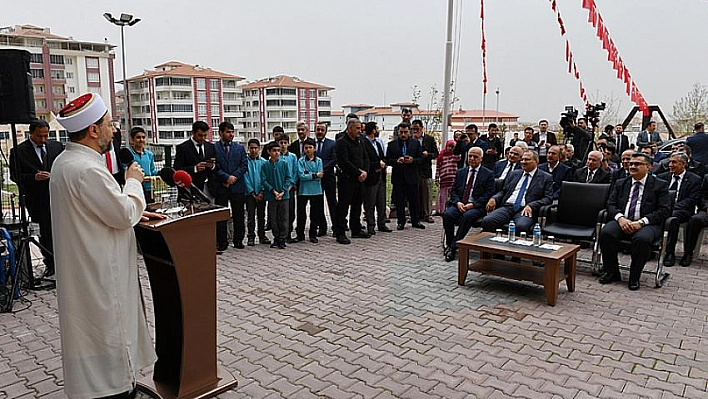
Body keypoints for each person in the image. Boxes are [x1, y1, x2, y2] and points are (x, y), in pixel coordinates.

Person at [51, 92, 165, 399]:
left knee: (92, 338)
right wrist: (133, 182)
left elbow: (105, 208)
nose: (113, 130)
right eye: (109, 124)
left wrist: (136, 208)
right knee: (108, 335)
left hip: (86, 266)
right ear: (92, 130)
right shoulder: (86, 169)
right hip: (100, 272)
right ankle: (113, 391)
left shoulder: (66, 161)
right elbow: (122, 213)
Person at [599, 152, 670, 290]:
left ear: (649, 167)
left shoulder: (660, 185)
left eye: (637, 164)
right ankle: (612, 272)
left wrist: (641, 222)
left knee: (642, 239)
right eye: (631, 163)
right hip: (623, 220)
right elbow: (611, 204)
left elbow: (664, 210)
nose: (632, 166)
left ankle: (634, 277)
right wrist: (620, 218)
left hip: (647, 224)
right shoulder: (621, 183)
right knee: (606, 233)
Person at [9, 119, 64, 276]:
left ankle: (64, 261)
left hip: (59, 197)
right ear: (31, 133)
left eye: (46, 135)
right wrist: (34, 177)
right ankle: (50, 263)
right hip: (37, 200)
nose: (43, 140)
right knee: (45, 233)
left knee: (62, 230)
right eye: (39, 136)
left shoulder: (57, 147)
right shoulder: (18, 151)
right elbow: (15, 176)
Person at [481, 150, 553, 234]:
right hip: (507, 207)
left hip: (525, 209)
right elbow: (503, 191)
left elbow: (548, 198)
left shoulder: (545, 177)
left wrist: (531, 205)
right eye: (522, 159)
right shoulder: (514, 174)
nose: (523, 162)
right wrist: (494, 198)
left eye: (527, 160)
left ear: (536, 161)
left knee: (521, 226)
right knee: (487, 220)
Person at [443, 147, 495, 262]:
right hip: (460, 204)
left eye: (475, 157)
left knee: (467, 216)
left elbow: (488, 194)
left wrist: (473, 204)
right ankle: (450, 243)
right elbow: (454, 190)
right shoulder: (461, 172)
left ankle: (453, 247)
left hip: (476, 206)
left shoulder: (488, 174)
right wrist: (457, 202)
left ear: (481, 158)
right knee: (447, 215)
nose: (472, 159)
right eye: (470, 156)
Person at [657, 153, 701, 266]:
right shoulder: (663, 177)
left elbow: (692, 199)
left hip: (682, 210)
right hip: (664, 209)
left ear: (683, 164)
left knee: (673, 217)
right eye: (670, 162)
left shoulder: (694, 180)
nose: (670, 165)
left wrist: (673, 207)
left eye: (674, 162)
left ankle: (672, 252)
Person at [211, 121, 248, 251]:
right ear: (221, 133)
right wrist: (226, 178)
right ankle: (222, 241)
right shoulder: (214, 148)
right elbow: (214, 167)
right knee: (221, 214)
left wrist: (233, 178)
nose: (231, 134)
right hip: (221, 186)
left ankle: (238, 240)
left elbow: (244, 165)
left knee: (239, 214)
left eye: (232, 132)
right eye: (228, 132)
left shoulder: (239, 148)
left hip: (237, 186)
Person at [334, 119, 369, 244]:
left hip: (360, 180)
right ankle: (340, 232)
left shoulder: (360, 141)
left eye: (360, 128)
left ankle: (356, 229)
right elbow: (344, 162)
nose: (360, 131)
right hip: (347, 180)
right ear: (349, 129)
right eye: (357, 128)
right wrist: (358, 172)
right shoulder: (341, 143)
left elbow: (365, 157)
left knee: (357, 205)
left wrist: (365, 171)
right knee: (343, 207)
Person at [386, 122, 425, 231]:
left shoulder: (415, 143)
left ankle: (415, 221)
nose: (403, 134)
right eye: (401, 132)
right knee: (399, 201)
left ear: (409, 132)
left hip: (412, 176)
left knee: (414, 200)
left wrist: (413, 160)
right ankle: (400, 222)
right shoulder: (392, 144)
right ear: (398, 132)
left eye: (405, 132)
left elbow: (421, 159)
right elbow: (387, 160)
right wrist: (396, 161)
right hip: (398, 177)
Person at [261, 141, 292, 249]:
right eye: (274, 151)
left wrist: (283, 191)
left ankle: (282, 238)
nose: (277, 153)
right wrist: (273, 191)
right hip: (272, 196)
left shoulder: (284, 163)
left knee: (283, 218)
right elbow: (264, 180)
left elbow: (288, 178)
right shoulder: (265, 165)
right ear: (269, 152)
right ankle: (276, 237)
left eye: (278, 151)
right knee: (273, 218)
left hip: (284, 196)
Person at [362, 121, 390, 235]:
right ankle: (370, 226)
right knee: (370, 203)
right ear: (373, 130)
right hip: (371, 177)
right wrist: (377, 165)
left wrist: (383, 164)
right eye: (377, 128)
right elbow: (365, 161)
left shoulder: (378, 143)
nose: (378, 130)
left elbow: (383, 157)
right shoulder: (363, 143)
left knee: (381, 201)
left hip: (381, 176)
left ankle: (382, 223)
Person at [173, 121, 216, 191]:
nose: (203, 138)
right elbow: (177, 169)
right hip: (191, 188)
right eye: (200, 135)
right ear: (193, 133)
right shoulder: (183, 148)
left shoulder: (211, 147)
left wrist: (212, 166)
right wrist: (194, 168)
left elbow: (217, 166)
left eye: (205, 135)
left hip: (210, 188)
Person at [296, 138, 325, 243]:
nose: (308, 150)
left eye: (310, 147)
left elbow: (320, 175)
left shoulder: (319, 161)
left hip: (317, 190)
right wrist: (314, 175)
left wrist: (309, 174)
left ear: (315, 149)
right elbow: (301, 176)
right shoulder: (300, 161)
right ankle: (300, 234)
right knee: (301, 213)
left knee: (315, 213)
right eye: (306, 147)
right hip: (303, 190)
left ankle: (313, 234)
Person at [244, 139, 270, 246]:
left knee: (261, 215)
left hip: (261, 194)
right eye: (251, 148)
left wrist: (262, 191)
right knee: (250, 216)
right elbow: (245, 178)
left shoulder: (264, 162)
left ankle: (262, 235)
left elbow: (266, 178)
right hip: (250, 194)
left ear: (259, 149)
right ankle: (250, 236)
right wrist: (252, 192)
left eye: (256, 148)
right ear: (248, 148)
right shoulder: (245, 162)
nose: (254, 150)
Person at [412, 119, 439, 223]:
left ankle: (427, 214)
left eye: (417, 129)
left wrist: (428, 155)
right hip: (414, 170)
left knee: (426, 193)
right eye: (413, 129)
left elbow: (436, 153)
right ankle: (415, 215)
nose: (415, 131)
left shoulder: (429, 138)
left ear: (422, 128)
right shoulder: (411, 139)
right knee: (414, 194)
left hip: (425, 170)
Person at [314, 122, 337, 236]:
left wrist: (322, 169)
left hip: (328, 177)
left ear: (326, 131)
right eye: (318, 129)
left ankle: (336, 227)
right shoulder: (311, 144)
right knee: (318, 204)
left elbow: (334, 159)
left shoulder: (332, 144)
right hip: (316, 179)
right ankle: (322, 227)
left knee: (332, 203)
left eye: (322, 130)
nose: (319, 132)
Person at [681, 174, 708, 266]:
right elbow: (701, 197)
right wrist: (706, 207)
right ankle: (688, 252)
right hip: (707, 212)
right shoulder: (707, 177)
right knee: (695, 220)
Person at [127, 126, 158, 203]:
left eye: (143, 137)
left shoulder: (149, 154)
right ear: (132, 139)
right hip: (135, 188)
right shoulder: (129, 154)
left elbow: (152, 171)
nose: (141, 140)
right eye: (138, 137)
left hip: (149, 189)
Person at [278, 135, 299, 242]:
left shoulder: (293, 157)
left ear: (288, 144)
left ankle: (288, 233)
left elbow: (295, 172)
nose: (283, 145)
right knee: (280, 212)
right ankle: (280, 234)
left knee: (290, 211)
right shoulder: (275, 157)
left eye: (285, 143)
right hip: (278, 188)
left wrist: (290, 185)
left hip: (290, 188)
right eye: (281, 143)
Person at [435, 140, 461, 215]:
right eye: (449, 146)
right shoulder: (441, 156)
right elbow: (438, 168)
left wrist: (457, 147)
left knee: (452, 196)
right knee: (442, 196)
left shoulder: (455, 156)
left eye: (452, 147)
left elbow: (459, 156)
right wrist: (437, 178)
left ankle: (451, 210)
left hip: (453, 179)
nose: (450, 148)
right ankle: (442, 210)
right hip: (444, 179)